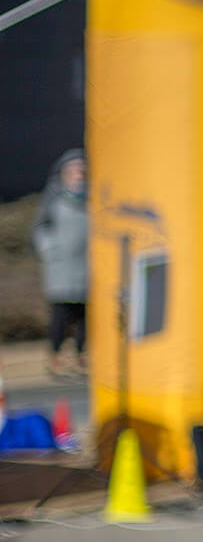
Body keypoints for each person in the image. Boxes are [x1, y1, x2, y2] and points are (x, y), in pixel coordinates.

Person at [33, 149, 89, 380]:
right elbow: (40, 228)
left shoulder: (93, 199)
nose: (78, 174)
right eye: (73, 170)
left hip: (87, 267)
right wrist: (50, 251)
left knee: (86, 315)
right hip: (61, 268)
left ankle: (81, 356)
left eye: (82, 170)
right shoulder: (54, 200)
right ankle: (55, 357)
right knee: (61, 315)